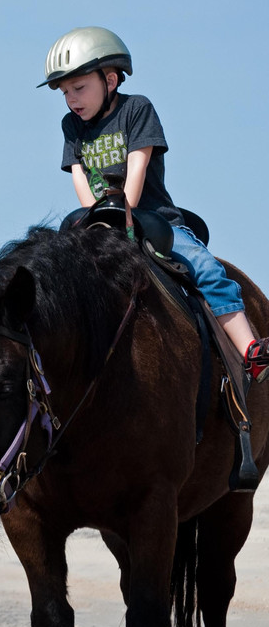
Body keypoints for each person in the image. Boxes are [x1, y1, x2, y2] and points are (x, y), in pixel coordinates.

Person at [40, 26, 269, 382]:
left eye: (79, 87)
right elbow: (78, 174)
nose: (72, 98)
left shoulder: (136, 109)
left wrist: (123, 211)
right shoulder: (71, 125)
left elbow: (138, 164)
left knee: (205, 267)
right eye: (65, 92)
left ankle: (250, 351)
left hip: (153, 220)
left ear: (111, 79)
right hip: (100, 223)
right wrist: (94, 220)